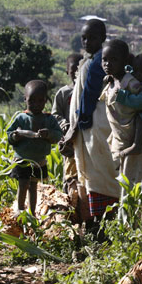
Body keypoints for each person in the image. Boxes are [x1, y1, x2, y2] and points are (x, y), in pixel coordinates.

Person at [67, 19, 119, 223]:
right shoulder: (92, 60)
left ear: (103, 38)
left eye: (93, 38)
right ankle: (97, 220)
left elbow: (88, 95)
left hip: (94, 126)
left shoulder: (99, 61)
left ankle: (103, 221)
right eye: (84, 38)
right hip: (89, 128)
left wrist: (78, 124)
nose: (87, 42)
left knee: (100, 172)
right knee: (95, 173)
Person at [99, 40, 142, 204]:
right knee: (127, 190)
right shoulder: (110, 81)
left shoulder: (130, 83)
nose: (108, 64)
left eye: (114, 60)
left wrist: (140, 136)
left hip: (139, 146)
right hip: (123, 144)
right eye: (105, 59)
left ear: (125, 61)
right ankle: (129, 227)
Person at [7, 80, 62, 217]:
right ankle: (20, 210)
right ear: (25, 99)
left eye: (40, 101)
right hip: (22, 159)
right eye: (32, 101)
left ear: (45, 101)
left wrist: (48, 134)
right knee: (23, 184)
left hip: (39, 160)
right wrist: (15, 136)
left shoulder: (49, 120)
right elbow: (9, 135)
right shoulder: (21, 118)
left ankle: (32, 213)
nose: (36, 104)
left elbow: (58, 135)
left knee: (33, 186)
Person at [51, 53, 83, 193]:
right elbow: (55, 114)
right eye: (72, 71)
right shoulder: (63, 93)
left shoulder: (89, 92)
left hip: (85, 140)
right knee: (70, 174)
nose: (76, 74)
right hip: (68, 140)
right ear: (67, 72)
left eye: (79, 71)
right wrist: (64, 124)